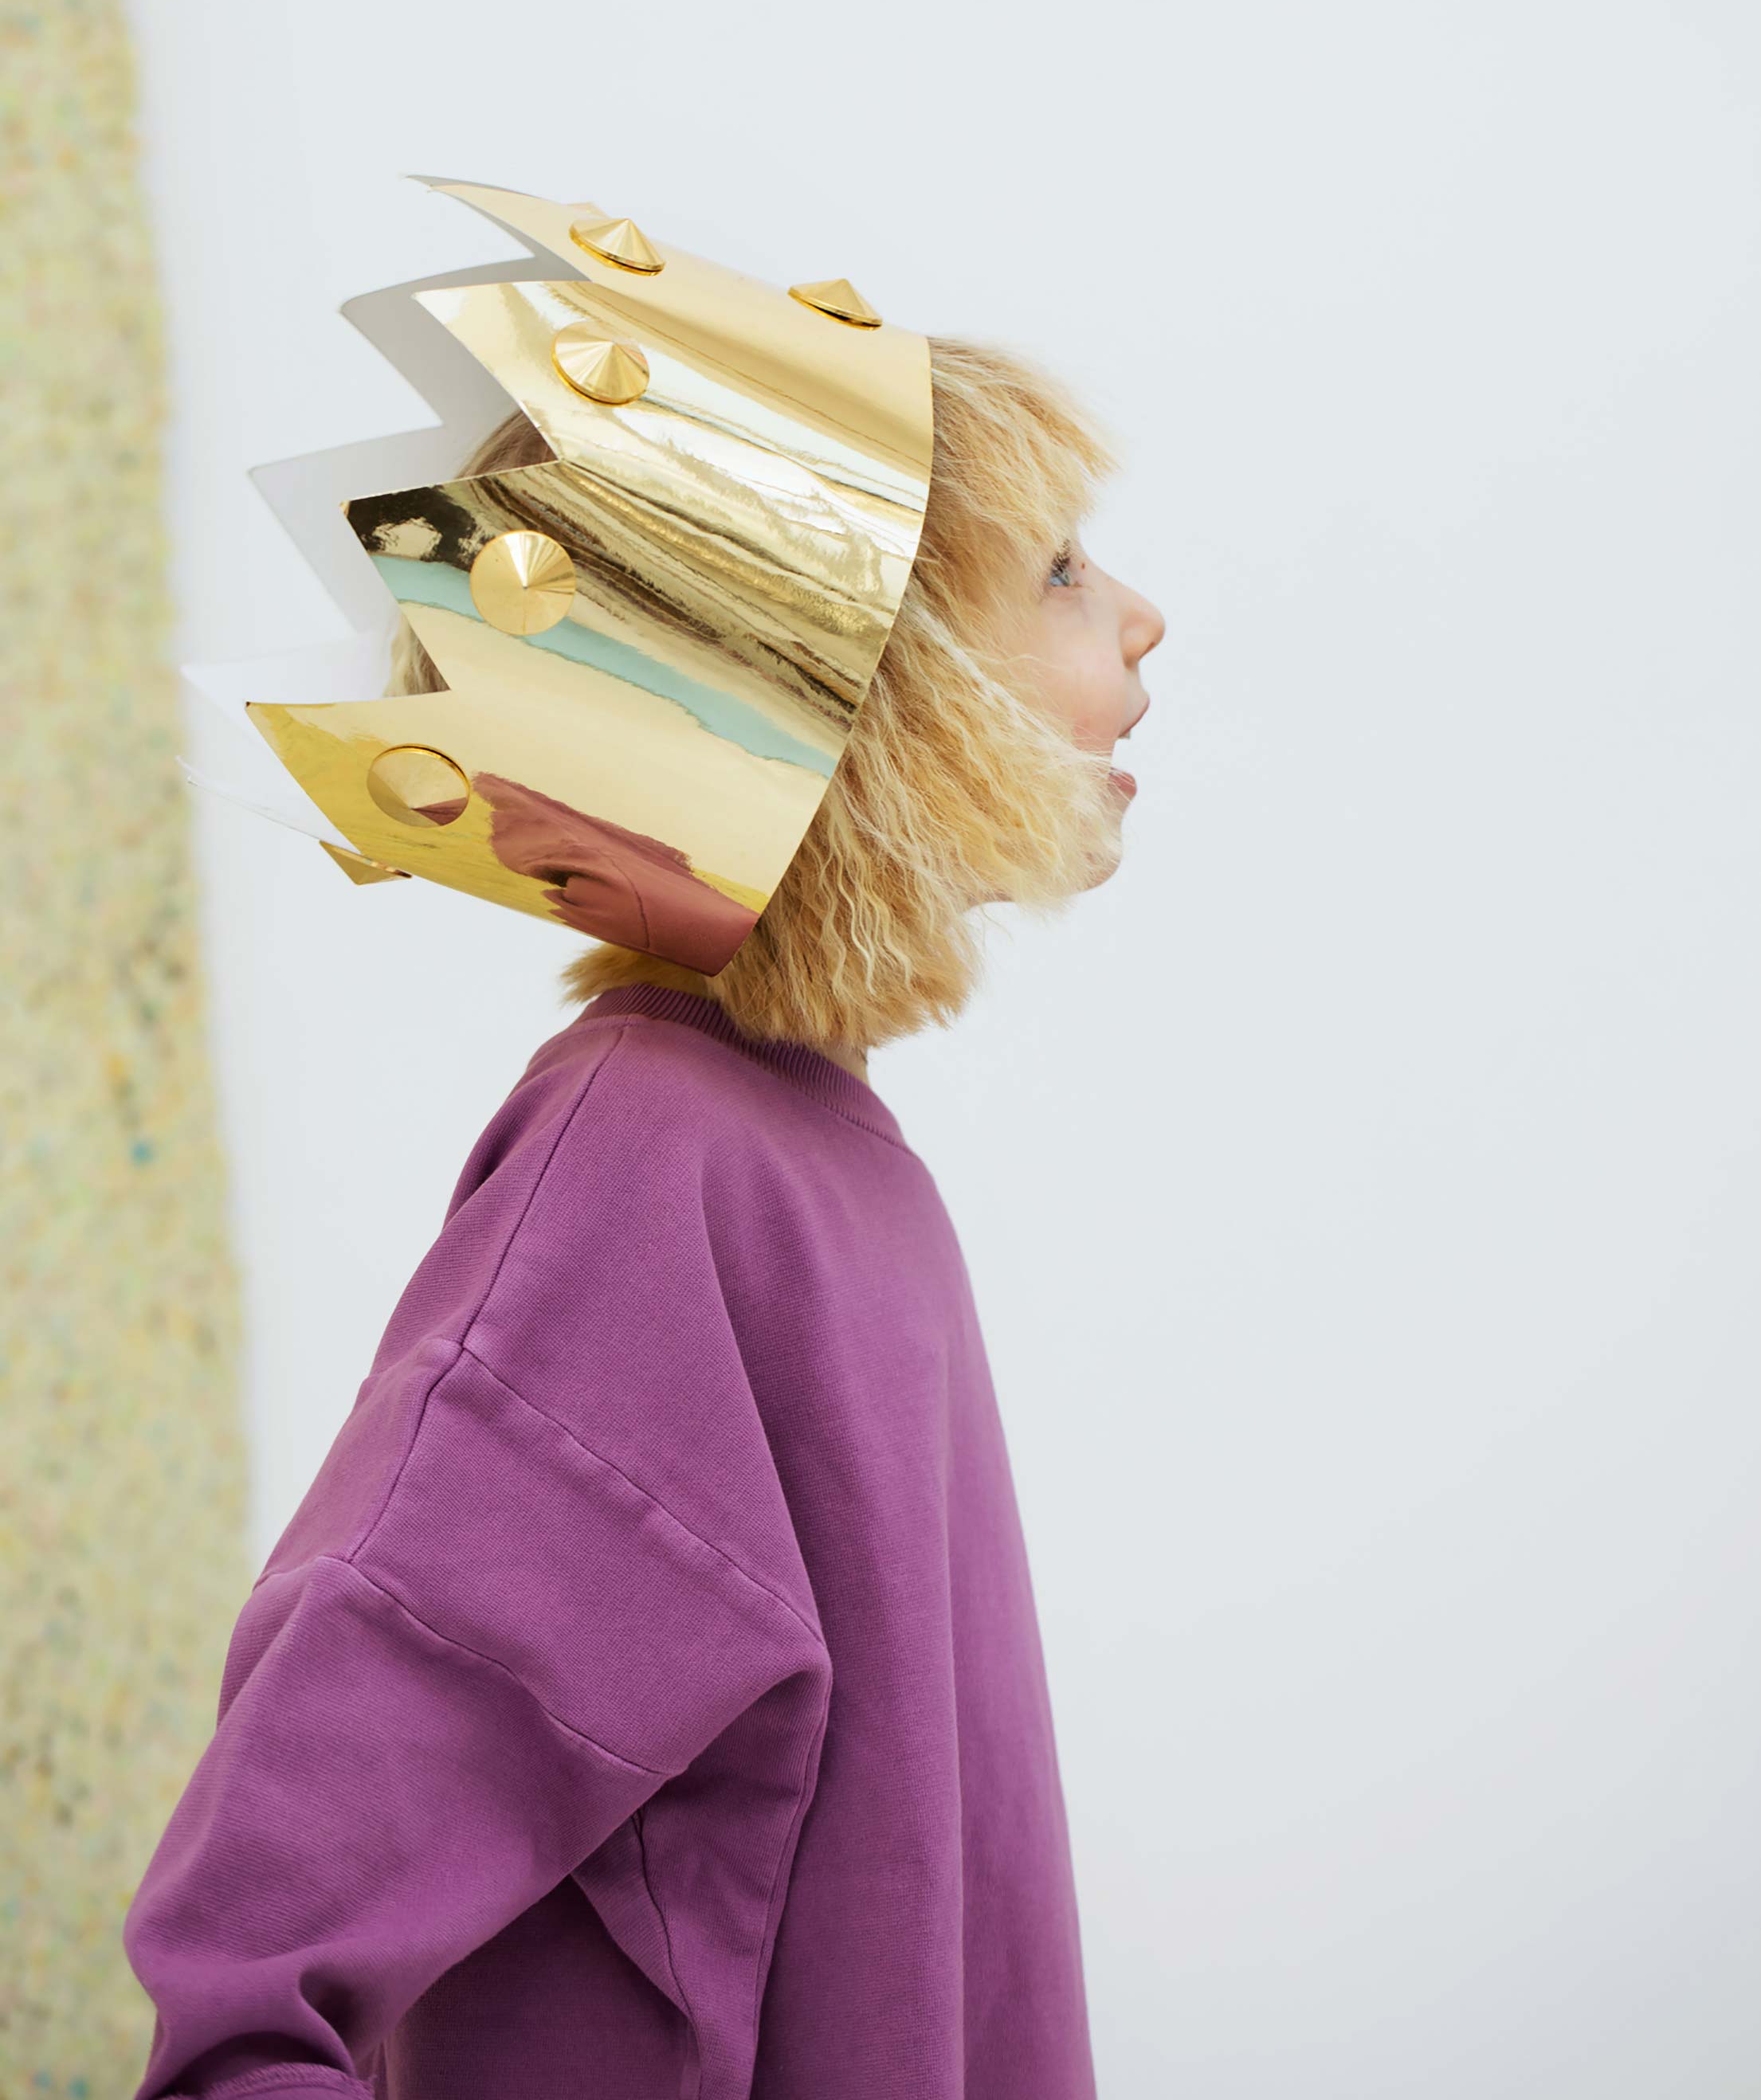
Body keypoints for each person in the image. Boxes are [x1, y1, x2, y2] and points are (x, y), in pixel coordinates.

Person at [126, 203, 1165, 2099]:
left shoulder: (828, 1169)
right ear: (880, 684)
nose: (1139, 615)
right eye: (1060, 569)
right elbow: (269, 1930)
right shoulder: (654, 1169)